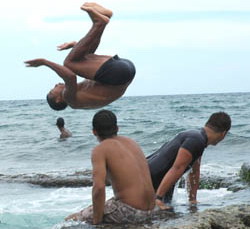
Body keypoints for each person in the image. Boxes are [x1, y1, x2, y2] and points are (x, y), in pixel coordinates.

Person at [25, 2, 135, 111]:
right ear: (58, 99)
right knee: (68, 64)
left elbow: (88, 61)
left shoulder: (82, 90)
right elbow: (70, 77)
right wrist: (45, 62)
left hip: (124, 70)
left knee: (83, 58)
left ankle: (104, 19)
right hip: (118, 73)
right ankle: (99, 23)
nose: (55, 84)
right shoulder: (70, 99)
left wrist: (76, 46)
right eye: (52, 90)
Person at [65, 110, 155, 224]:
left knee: (72, 218)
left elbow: (98, 188)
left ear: (94, 131)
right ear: (117, 128)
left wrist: (96, 222)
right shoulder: (132, 143)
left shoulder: (100, 150)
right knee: (101, 205)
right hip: (151, 209)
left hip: (131, 212)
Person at [147, 112, 231, 210]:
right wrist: (158, 198)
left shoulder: (197, 138)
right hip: (149, 180)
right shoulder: (196, 141)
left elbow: (194, 172)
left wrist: (192, 199)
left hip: (151, 176)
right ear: (223, 133)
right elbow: (177, 168)